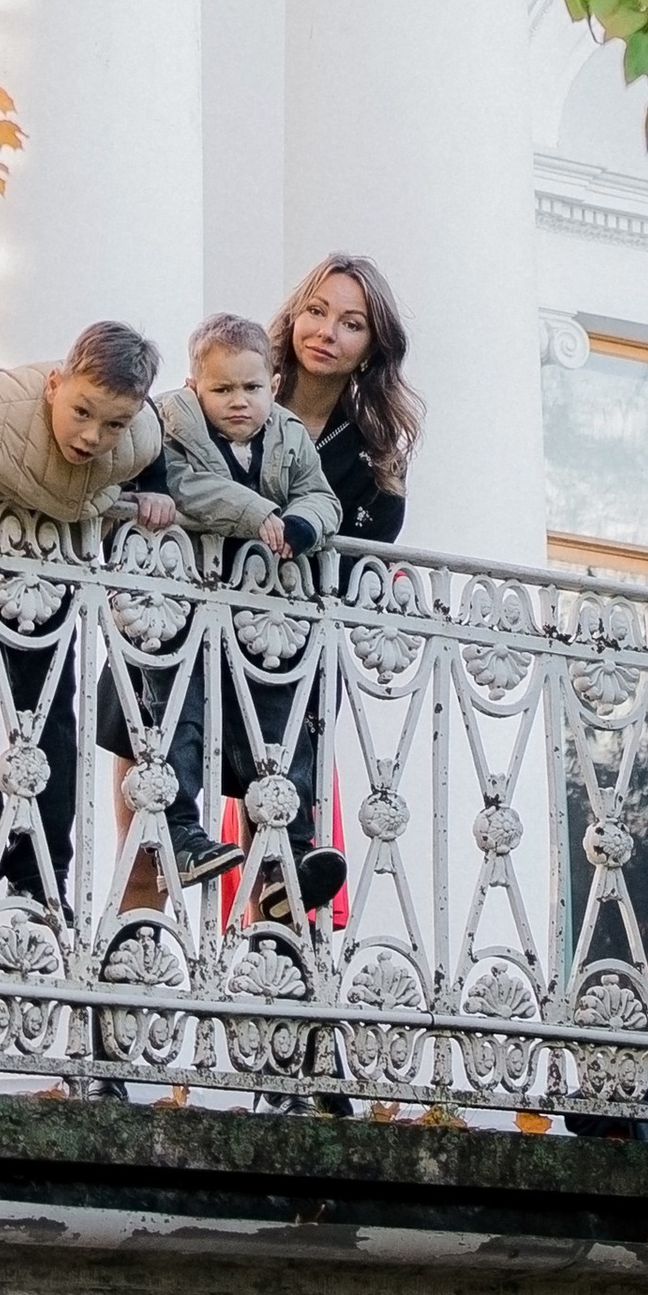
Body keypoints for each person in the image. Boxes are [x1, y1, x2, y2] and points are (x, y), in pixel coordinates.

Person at [0, 322, 174, 907]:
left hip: (45, 575)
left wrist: (154, 487)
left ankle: (43, 869)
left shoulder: (137, 433)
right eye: (82, 411)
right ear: (54, 384)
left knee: (50, 718)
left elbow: (150, 446)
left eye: (113, 423)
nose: (93, 435)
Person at [152, 314, 345, 914]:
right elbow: (186, 489)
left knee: (288, 725)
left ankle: (293, 853)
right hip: (183, 606)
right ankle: (181, 831)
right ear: (194, 387)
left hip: (263, 617)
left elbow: (322, 495)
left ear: (272, 382)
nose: (239, 402)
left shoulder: (288, 435)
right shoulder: (171, 425)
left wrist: (304, 524)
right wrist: (261, 514)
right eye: (223, 389)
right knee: (175, 716)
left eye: (252, 388)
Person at [267, 254, 421, 544]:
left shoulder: (378, 464)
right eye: (315, 310)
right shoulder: (235, 401)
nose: (326, 332)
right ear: (294, 318)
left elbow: (366, 569)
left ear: (371, 349)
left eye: (351, 325)